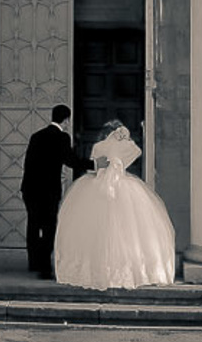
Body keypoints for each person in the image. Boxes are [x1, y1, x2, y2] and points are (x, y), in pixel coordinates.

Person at [52, 119, 177, 290]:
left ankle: (94, 267)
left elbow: (93, 167)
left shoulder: (98, 147)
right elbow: (138, 151)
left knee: (93, 229)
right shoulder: (126, 147)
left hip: (96, 187)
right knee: (127, 229)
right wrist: (126, 140)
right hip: (122, 186)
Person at [19, 104, 84, 279]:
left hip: (30, 188)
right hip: (49, 190)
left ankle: (33, 262)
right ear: (67, 120)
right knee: (48, 227)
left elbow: (28, 163)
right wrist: (93, 164)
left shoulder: (36, 136)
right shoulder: (62, 137)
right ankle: (45, 268)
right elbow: (71, 161)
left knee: (33, 224)